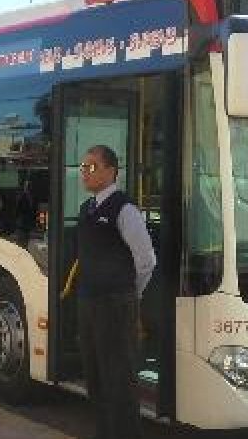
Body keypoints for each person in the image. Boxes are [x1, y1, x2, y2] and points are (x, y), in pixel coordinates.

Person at [75, 145, 156, 439]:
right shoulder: (87, 208)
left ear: (111, 171)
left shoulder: (125, 210)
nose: (85, 172)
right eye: (83, 166)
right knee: (95, 378)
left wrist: (129, 294)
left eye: (92, 166)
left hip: (116, 304)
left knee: (118, 380)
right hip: (89, 302)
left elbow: (146, 260)